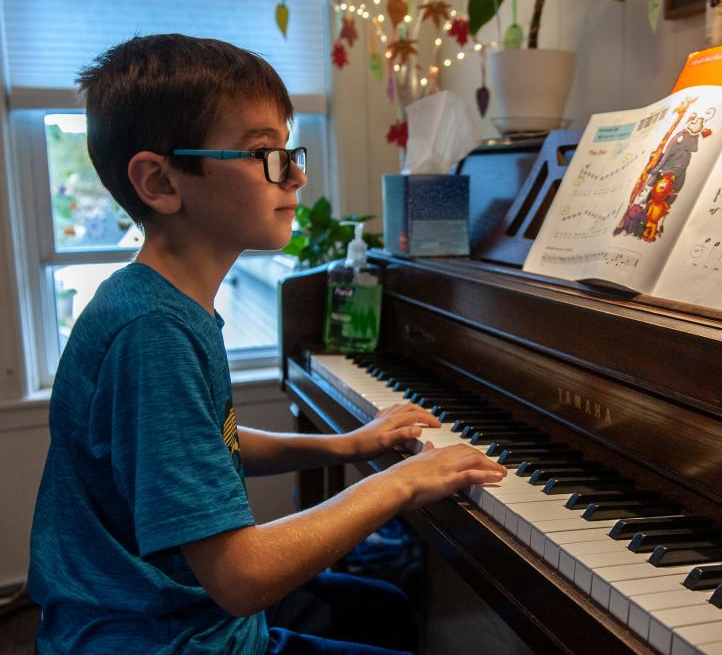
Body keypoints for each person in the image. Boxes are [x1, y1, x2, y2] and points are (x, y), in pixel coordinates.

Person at [28, 34, 507, 655]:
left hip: (170, 614)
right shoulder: (155, 333)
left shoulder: (156, 301)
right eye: (264, 152)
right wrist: (403, 483)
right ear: (159, 181)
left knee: (385, 607)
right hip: (162, 636)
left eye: (289, 149)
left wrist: (345, 444)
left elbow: (203, 443)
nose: (298, 173)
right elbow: (240, 577)